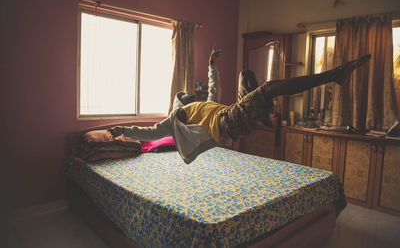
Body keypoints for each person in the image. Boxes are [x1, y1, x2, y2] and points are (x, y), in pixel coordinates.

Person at [109, 48, 371, 164]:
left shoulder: (204, 105)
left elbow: (214, 87)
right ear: (180, 103)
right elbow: (152, 132)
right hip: (229, 123)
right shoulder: (179, 118)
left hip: (232, 115)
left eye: (189, 92)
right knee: (267, 88)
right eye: (186, 94)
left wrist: (211, 64)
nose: (190, 93)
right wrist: (123, 129)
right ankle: (334, 75)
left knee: (245, 75)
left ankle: (264, 112)